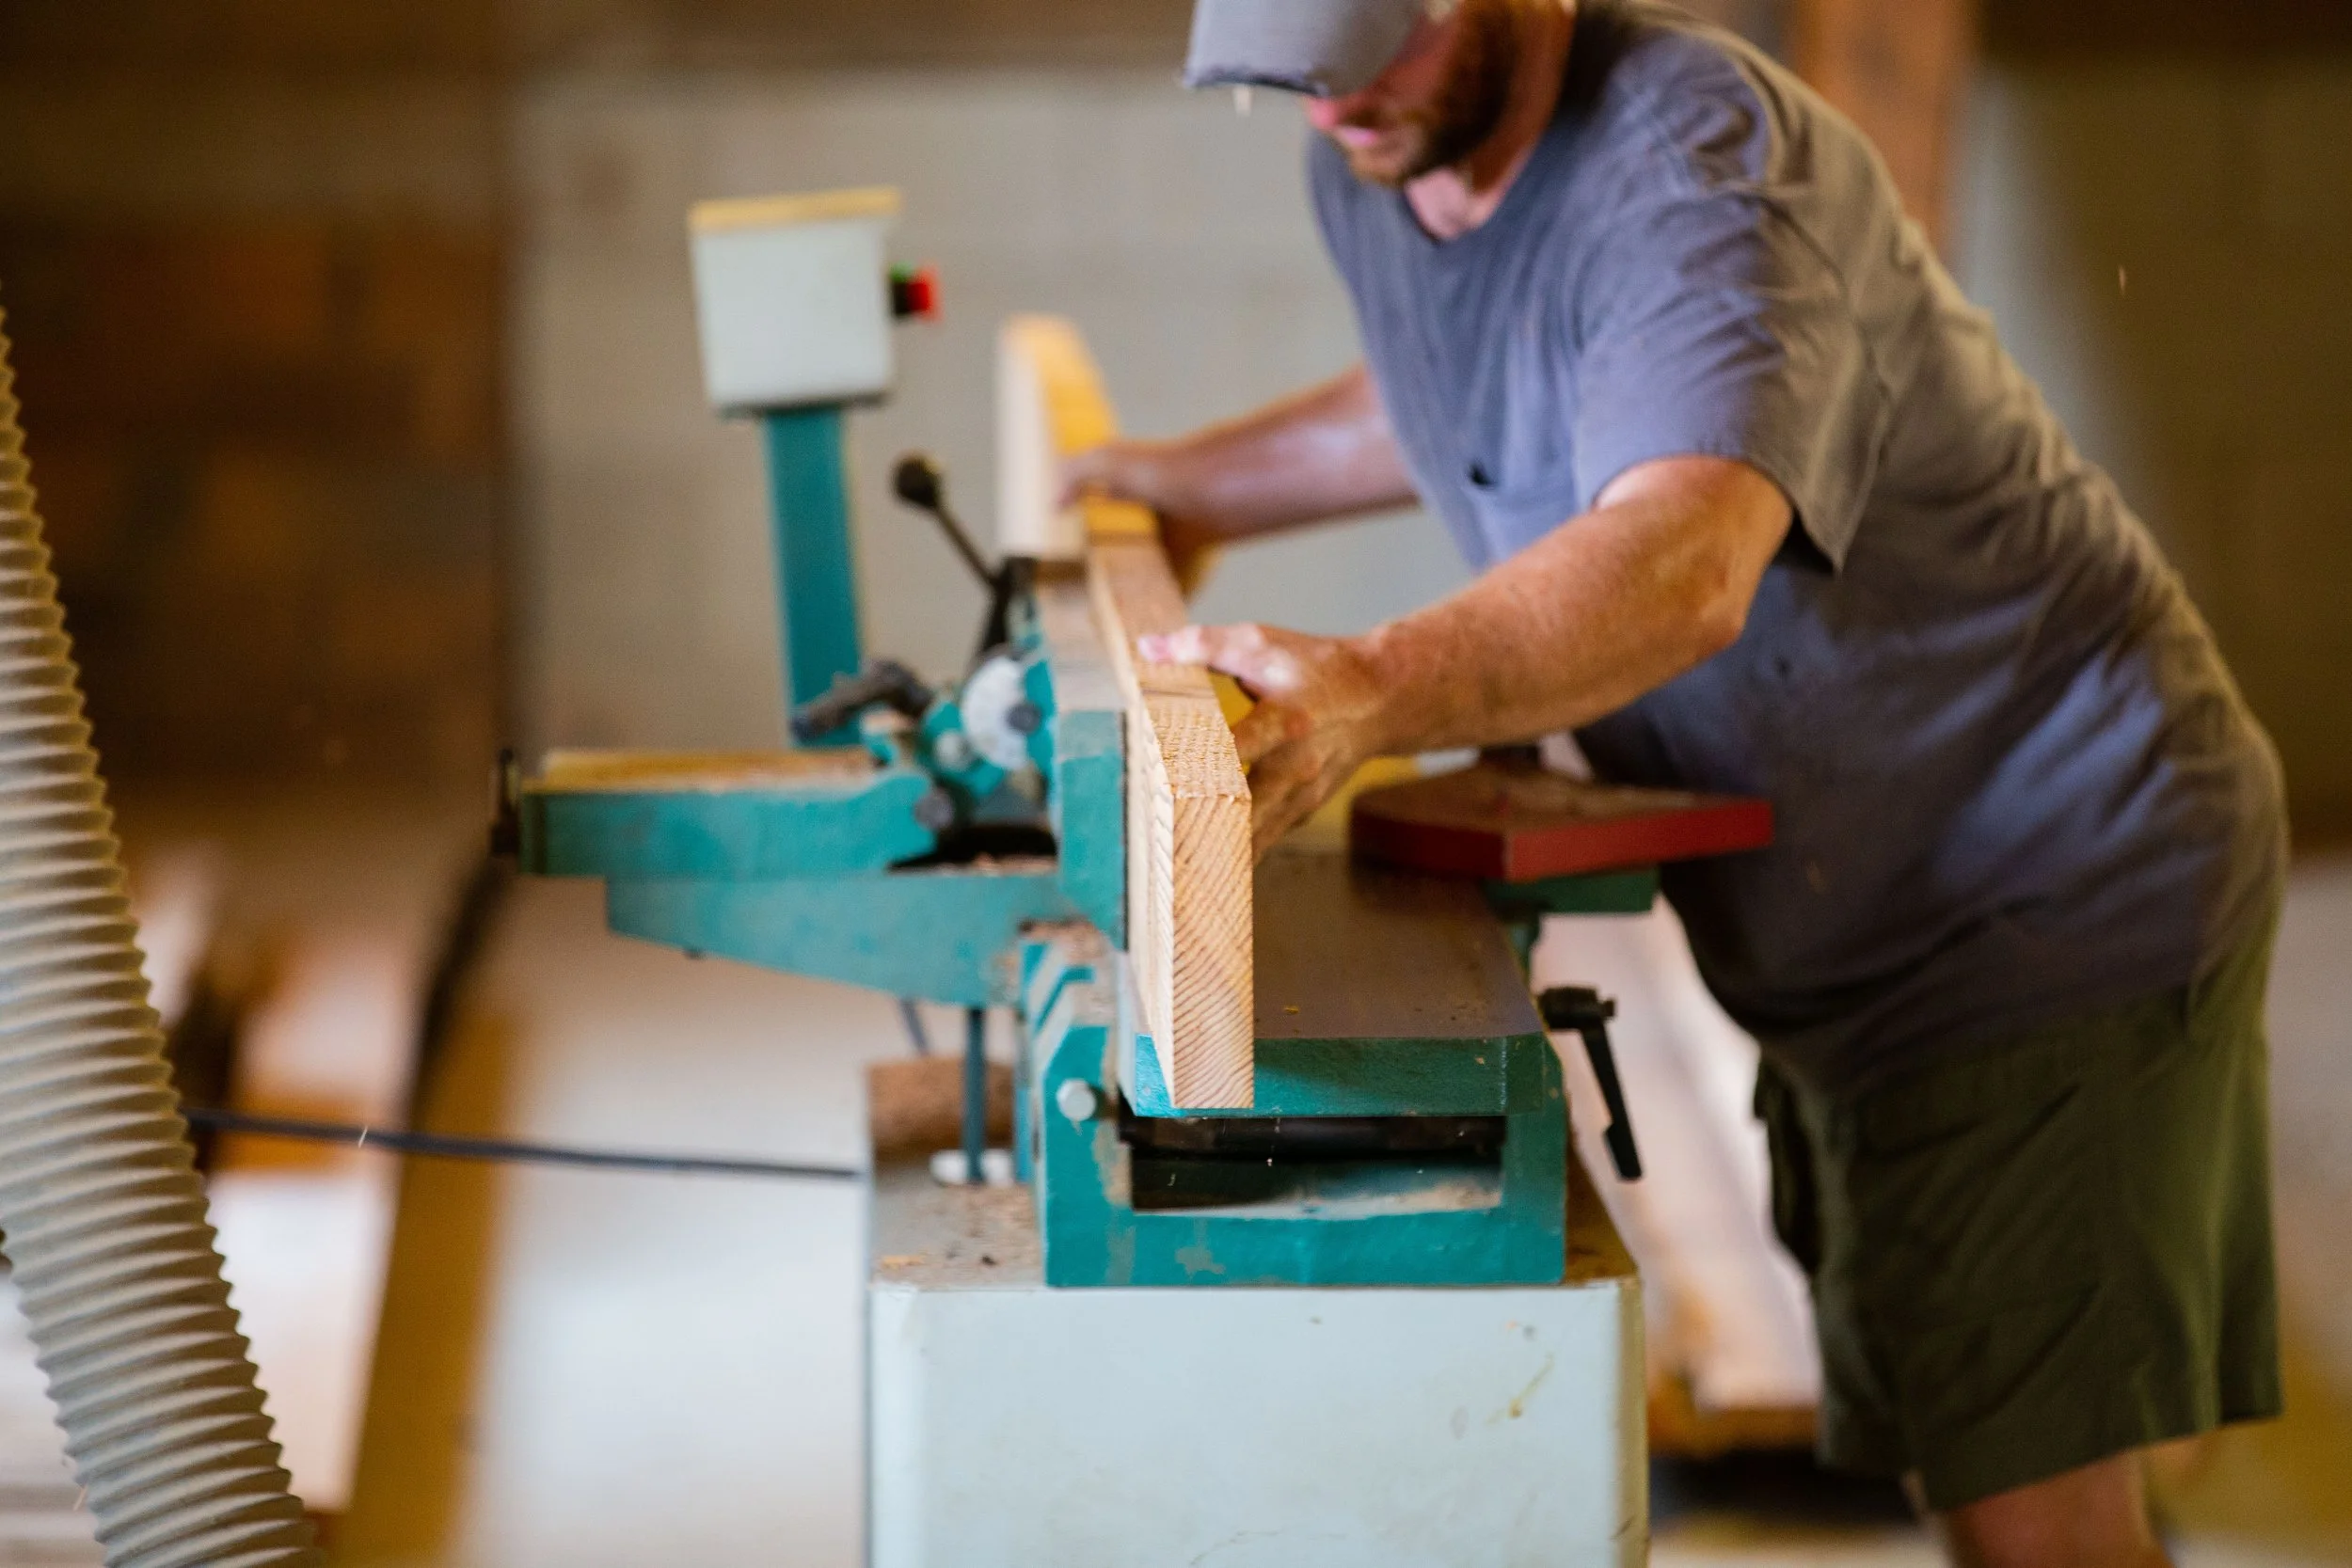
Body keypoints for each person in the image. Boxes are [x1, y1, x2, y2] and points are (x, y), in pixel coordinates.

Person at [1061, 1, 2289, 1561]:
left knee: (2035, 1518)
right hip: (1868, 912)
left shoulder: (1703, 165)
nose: (1335, 101)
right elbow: (1467, 373)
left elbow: (1688, 555)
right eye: (1296, 65)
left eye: (1378, 39)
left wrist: (1370, 686)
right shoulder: (1378, 152)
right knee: (1959, 1430)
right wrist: (1186, 482)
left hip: (2043, 873)